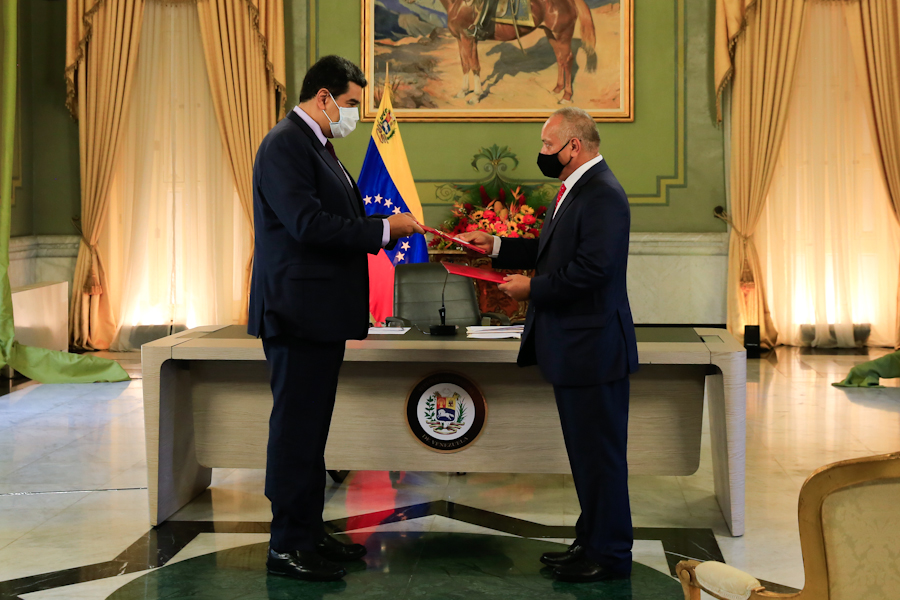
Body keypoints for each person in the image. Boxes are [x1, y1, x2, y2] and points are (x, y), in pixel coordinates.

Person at [248, 55, 423, 582]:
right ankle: (287, 545)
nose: (353, 115)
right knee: (295, 433)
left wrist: (384, 224)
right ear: (323, 97)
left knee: (311, 433)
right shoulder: (284, 144)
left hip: (318, 315)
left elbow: (338, 216)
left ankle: (309, 531)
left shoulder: (318, 145)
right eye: (349, 103)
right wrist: (384, 231)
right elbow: (307, 225)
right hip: (296, 313)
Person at [459, 107, 639, 583]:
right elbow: (552, 251)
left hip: (593, 350)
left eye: (547, 144)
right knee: (585, 458)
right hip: (577, 349)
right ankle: (590, 542)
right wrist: (495, 245)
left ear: (573, 146)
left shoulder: (602, 194)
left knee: (600, 459)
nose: (541, 152)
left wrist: (531, 289)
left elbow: (593, 271)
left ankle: (610, 555)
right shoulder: (575, 189)